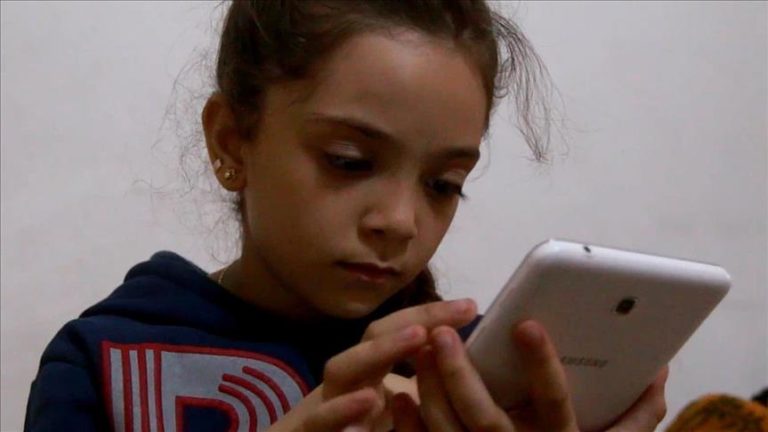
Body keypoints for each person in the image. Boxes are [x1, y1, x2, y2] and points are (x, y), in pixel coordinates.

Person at [24, 1, 669, 431]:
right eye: (349, 161)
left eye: (443, 184)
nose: (401, 221)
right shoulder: (106, 359)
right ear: (231, 141)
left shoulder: (478, 384)